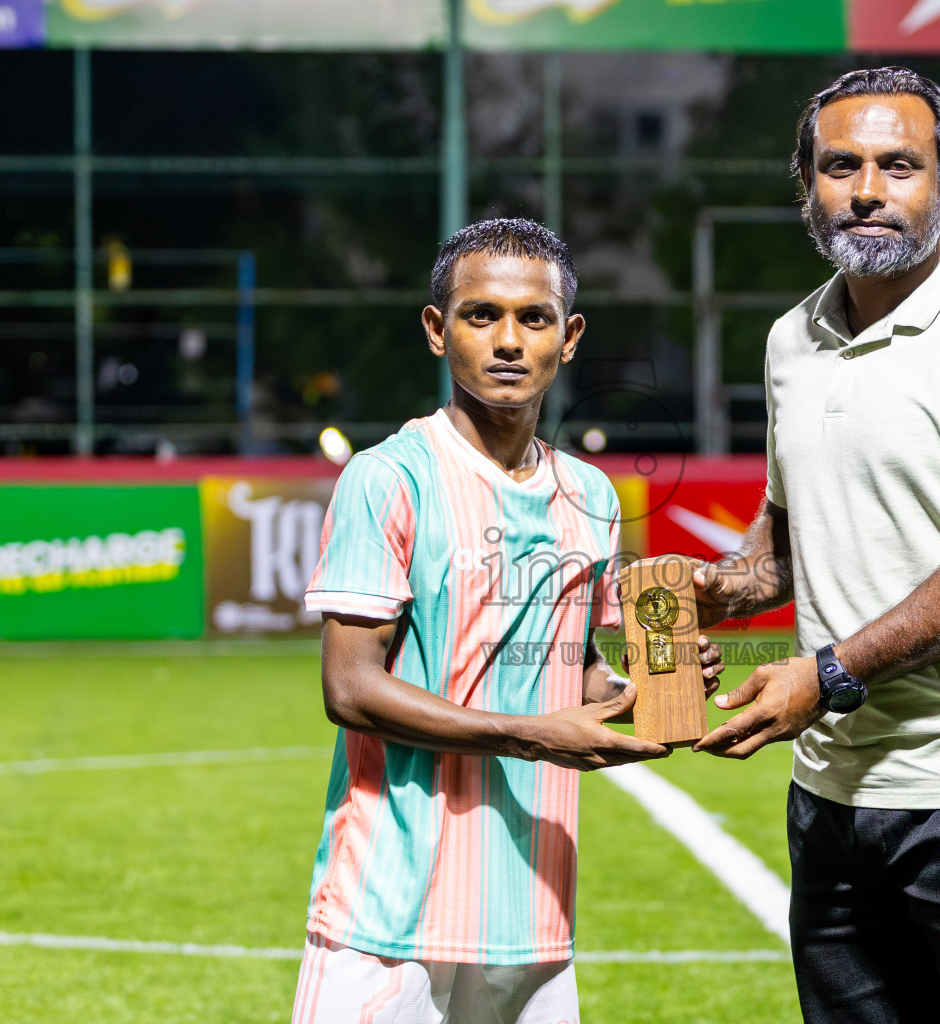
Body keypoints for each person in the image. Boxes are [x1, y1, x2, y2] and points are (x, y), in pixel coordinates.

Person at [691, 68, 940, 1023]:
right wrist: (716, 591)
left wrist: (824, 674)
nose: (866, 189)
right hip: (828, 791)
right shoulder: (795, 338)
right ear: (807, 185)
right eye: (840, 166)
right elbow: (789, 535)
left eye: (899, 166)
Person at [291, 218, 723, 1024]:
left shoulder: (592, 496)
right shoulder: (388, 479)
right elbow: (349, 690)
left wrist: (649, 690)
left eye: (535, 318)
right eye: (480, 315)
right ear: (436, 330)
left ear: (570, 337)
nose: (508, 341)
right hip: (387, 907)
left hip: (529, 910)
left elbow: (575, 670)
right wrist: (532, 735)